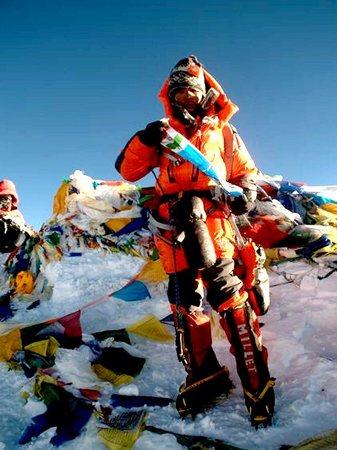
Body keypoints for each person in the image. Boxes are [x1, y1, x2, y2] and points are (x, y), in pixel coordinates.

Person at [115, 55, 274, 427]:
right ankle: (205, 376)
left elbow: (246, 173)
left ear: (204, 95)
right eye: (179, 91)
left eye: (192, 90)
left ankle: (257, 384)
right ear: (170, 96)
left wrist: (245, 193)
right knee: (186, 306)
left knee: (230, 299)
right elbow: (127, 170)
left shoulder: (224, 132)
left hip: (216, 226)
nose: (186, 97)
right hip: (173, 231)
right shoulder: (161, 132)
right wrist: (143, 139)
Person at [0, 179, 35, 253]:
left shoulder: (16, 216)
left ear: (12, 201)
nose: (3, 203)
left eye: (6, 199)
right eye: (0, 199)